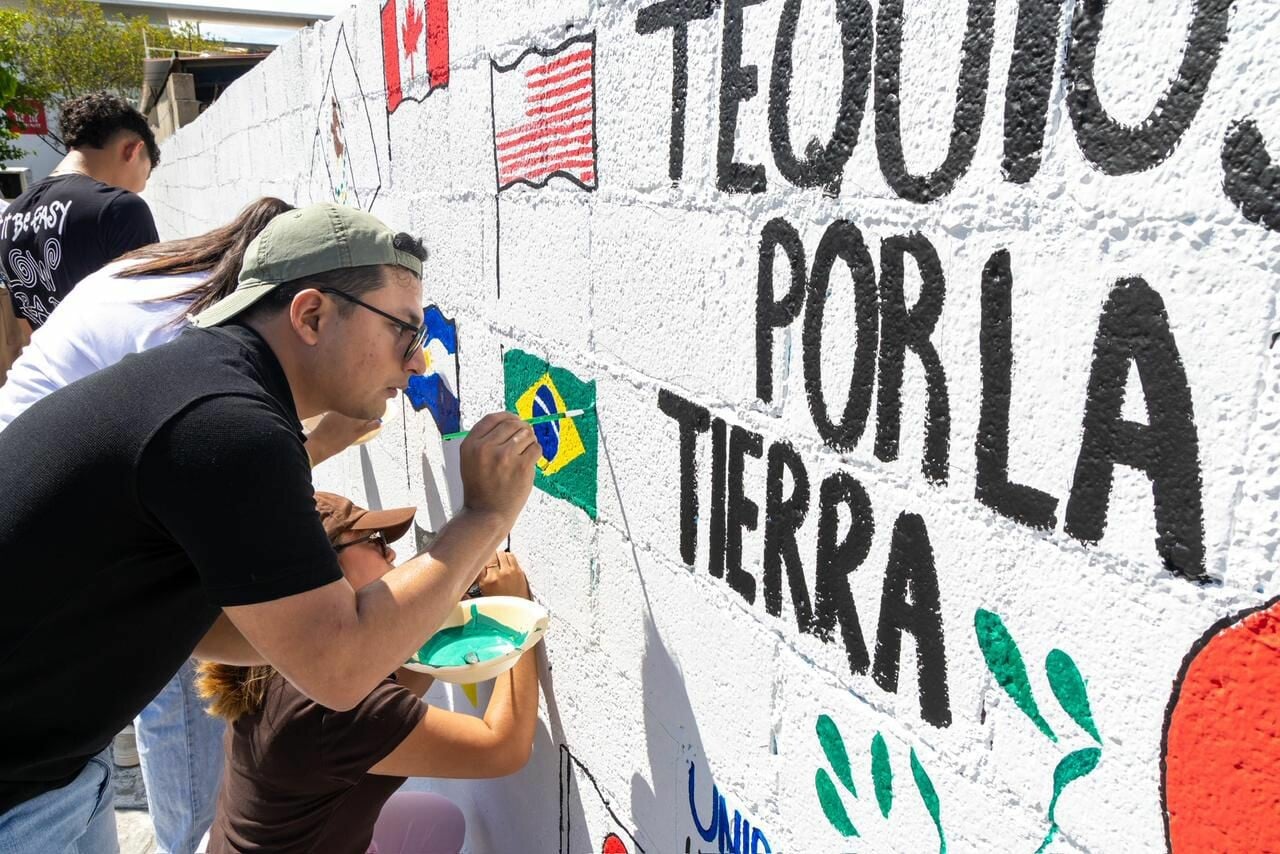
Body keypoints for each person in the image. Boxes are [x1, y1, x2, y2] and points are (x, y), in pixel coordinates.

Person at [0, 203, 539, 852]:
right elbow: (338, 673)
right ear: (311, 315)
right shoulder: (230, 425)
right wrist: (485, 516)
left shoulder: (209, 385)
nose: (417, 362)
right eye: (405, 330)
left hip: (51, 767)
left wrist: (380, 631)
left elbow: (208, 626)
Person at [199, 492, 539, 853]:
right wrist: (518, 616)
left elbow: (391, 679)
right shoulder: (329, 709)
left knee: (436, 820)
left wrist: (443, 601)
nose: (391, 553)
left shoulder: (284, 649)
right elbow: (501, 749)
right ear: (326, 569)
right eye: (376, 543)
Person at [0, 92, 160, 341]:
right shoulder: (119, 207)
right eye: (145, 174)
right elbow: (151, 315)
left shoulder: (9, 218)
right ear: (132, 150)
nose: (140, 188)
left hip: (56, 375)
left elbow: (26, 324)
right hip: (116, 373)